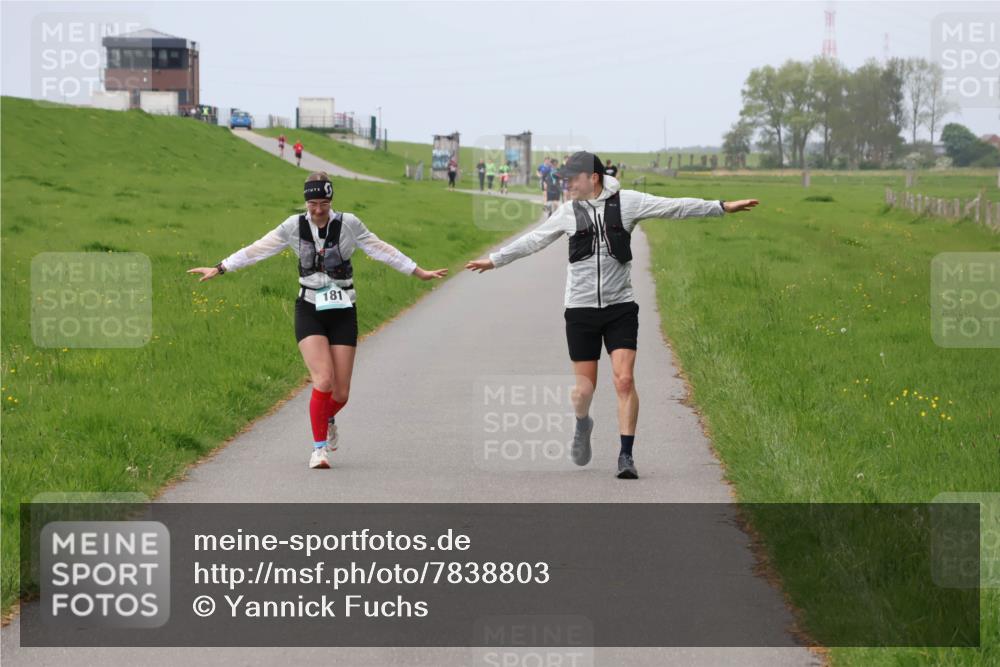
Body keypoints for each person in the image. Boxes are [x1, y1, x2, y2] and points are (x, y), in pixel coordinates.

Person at [465, 152, 758, 479]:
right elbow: (534, 240)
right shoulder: (567, 212)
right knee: (583, 392)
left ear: (593, 177)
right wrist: (495, 259)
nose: (567, 184)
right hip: (580, 310)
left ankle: (626, 455)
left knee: (624, 379)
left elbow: (672, 206)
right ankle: (582, 423)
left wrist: (721, 206)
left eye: (572, 178)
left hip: (620, 308)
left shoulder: (628, 202)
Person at [187, 172, 448, 469]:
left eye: (324, 203)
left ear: (331, 201)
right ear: (305, 202)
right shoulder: (293, 226)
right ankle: (318, 450)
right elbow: (257, 249)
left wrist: (418, 271)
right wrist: (221, 267)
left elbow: (381, 249)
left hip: (343, 310)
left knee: (341, 393)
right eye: (312, 204)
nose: (318, 209)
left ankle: (327, 417)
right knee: (323, 380)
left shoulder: (349, 224)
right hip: (309, 308)